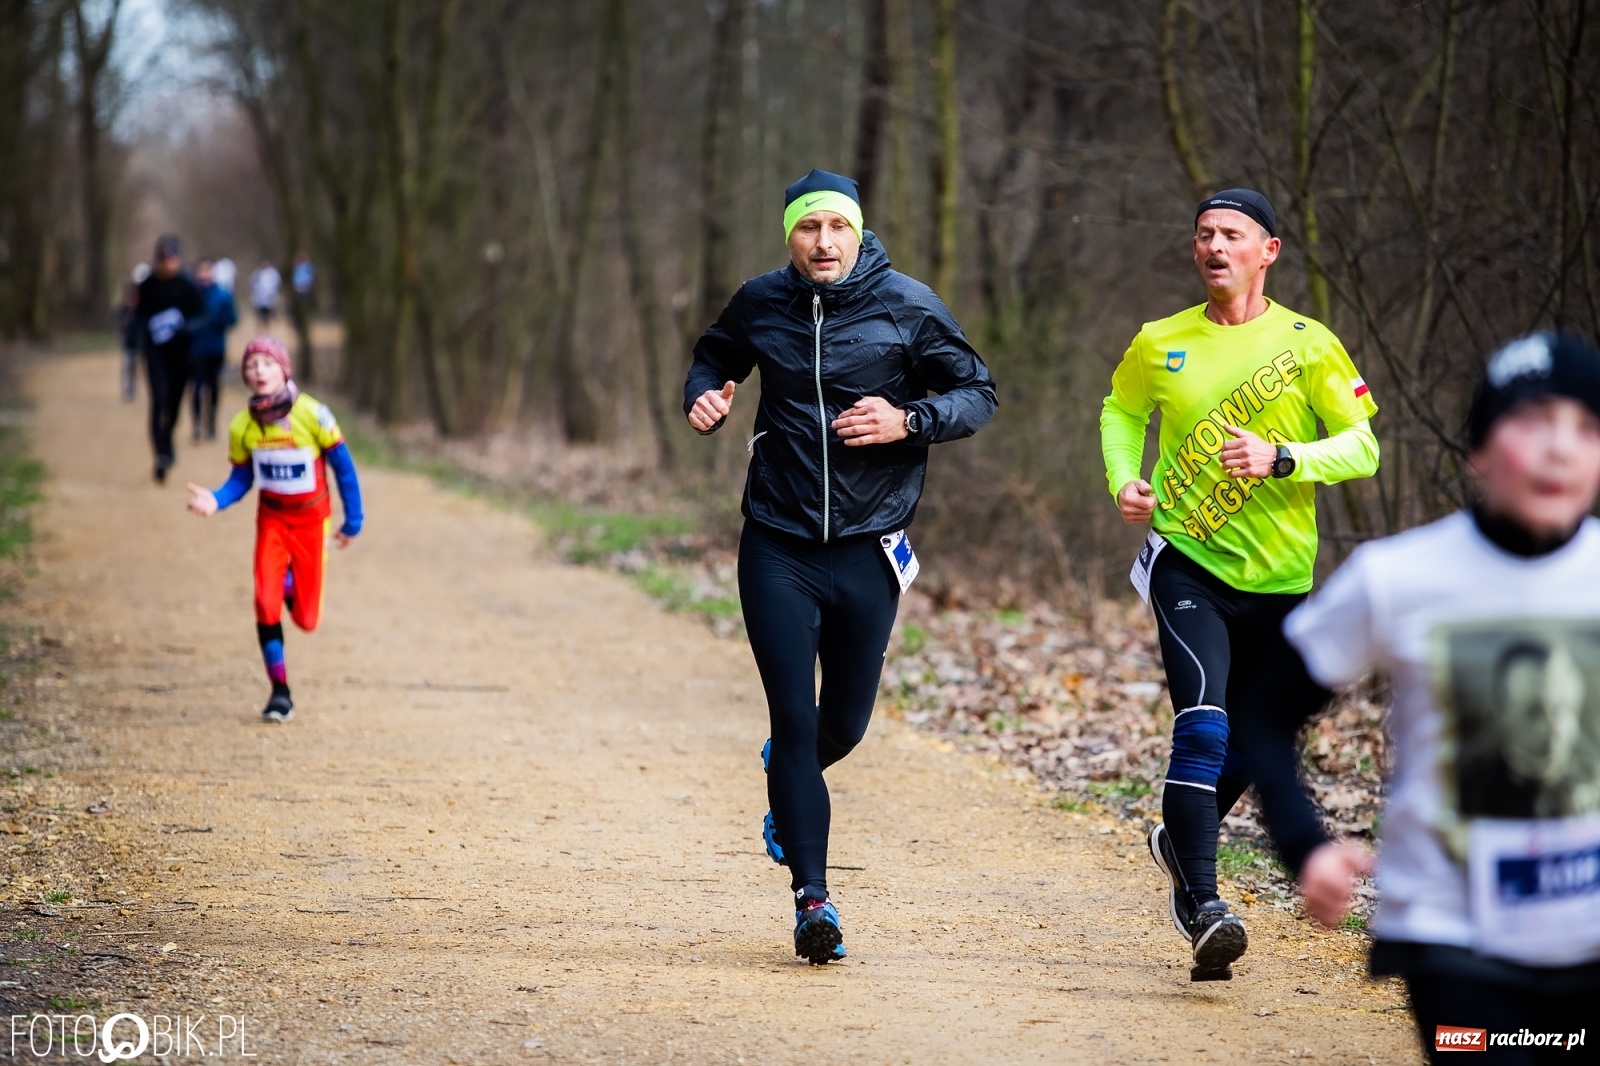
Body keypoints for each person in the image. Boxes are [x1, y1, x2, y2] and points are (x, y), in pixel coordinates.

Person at [1231, 332, 1600, 1063]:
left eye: (1587, 428)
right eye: (1532, 421)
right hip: (1450, 939)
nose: (1561, 448)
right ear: (1479, 453)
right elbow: (1266, 715)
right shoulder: (1396, 578)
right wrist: (1306, 848)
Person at [685, 169, 997, 964]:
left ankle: (787, 782)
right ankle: (813, 900)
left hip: (869, 547)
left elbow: (978, 392)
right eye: (806, 228)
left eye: (836, 228)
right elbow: (715, 353)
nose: (822, 242)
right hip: (778, 543)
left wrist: (910, 419)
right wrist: (705, 395)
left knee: (844, 726)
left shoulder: (909, 305)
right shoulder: (761, 301)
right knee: (794, 717)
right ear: (788, 236)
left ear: (858, 234)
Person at [1099, 188, 1381, 980]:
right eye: (1203, 234)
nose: (1214, 246)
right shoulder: (1161, 341)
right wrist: (1127, 478)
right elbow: (1119, 411)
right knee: (1206, 723)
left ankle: (1175, 839)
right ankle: (1204, 904)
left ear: (1269, 251)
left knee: (1261, 739)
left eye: (1232, 234)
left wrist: (1284, 456)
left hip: (1283, 578)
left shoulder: (1309, 343)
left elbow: (1363, 449)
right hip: (1189, 560)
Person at [185, 337, 364, 723]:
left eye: (267, 363)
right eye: (251, 365)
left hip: (312, 524)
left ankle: (288, 583)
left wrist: (354, 520)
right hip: (272, 523)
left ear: (285, 369)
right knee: (264, 605)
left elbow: (344, 469)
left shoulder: (315, 415)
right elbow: (241, 479)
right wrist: (216, 500)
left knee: (306, 621)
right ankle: (279, 691)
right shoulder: (241, 426)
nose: (259, 371)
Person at [136, 235, 205, 483]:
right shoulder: (147, 285)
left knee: (174, 404)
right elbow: (139, 316)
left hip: (181, 355)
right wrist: (137, 341)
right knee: (158, 400)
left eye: (173, 258)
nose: (169, 263)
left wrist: (187, 328)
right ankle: (161, 455)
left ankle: (167, 438)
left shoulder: (188, 286)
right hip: (155, 354)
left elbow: (202, 317)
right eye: (164, 259)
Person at [190, 258, 238, 442]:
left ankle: (210, 424)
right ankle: (196, 425)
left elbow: (233, 319)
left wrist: (217, 320)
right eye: (201, 271)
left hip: (215, 349)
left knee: (214, 387)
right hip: (194, 350)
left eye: (207, 271)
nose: (204, 275)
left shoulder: (223, 295)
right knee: (195, 388)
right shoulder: (191, 294)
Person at [117, 269, 145, 403]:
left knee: (137, 367)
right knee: (128, 365)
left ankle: (134, 388)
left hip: (139, 340)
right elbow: (120, 320)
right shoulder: (126, 307)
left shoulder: (144, 304)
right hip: (128, 340)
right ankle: (127, 388)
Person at [250, 260, 281, 328]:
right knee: (260, 316)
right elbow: (253, 285)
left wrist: (274, 294)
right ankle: (261, 329)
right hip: (260, 299)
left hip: (269, 299)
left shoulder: (273, 273)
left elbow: (277, 284)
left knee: (269, 315)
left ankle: (268, 328)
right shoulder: (257, 273)